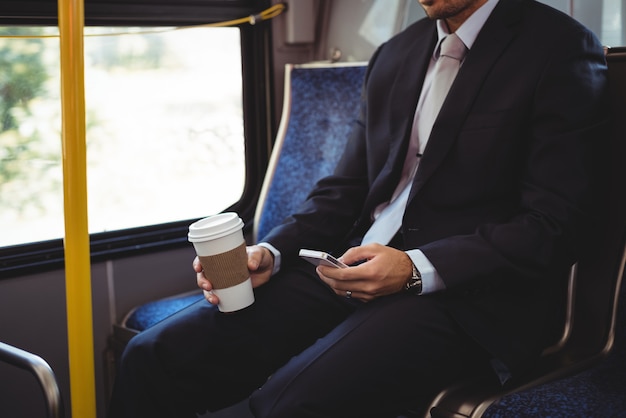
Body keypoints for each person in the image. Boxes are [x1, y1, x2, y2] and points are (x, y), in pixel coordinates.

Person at [108, 0, 610, 416]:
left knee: (283, 405)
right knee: (153, 355)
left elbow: (554, 225)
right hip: (351, 268)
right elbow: (342, 191)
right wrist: (270, 252)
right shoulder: (396, 54)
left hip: (463, 296)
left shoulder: (559, 48)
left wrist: (415, 268)